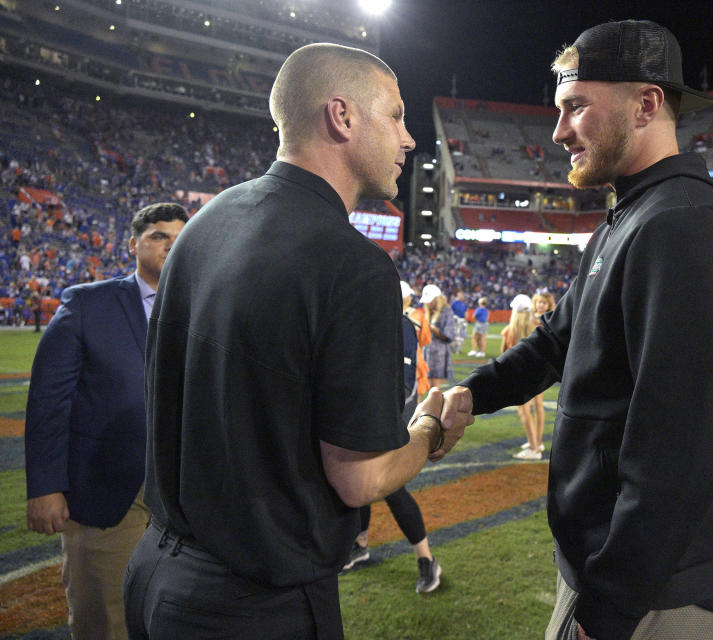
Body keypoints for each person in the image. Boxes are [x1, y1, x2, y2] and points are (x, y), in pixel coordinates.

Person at [123, 44, 469, 640]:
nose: (409, 139)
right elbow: (360, 478)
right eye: (395, 115)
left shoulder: (206, 223)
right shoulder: (354, 266)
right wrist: (431, 432)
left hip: (155, 568)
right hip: (251, 602)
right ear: (342, 116)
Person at [441, 20, 713, 640]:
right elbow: (557, 341)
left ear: (646, 104)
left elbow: (678, 448)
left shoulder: (685, 224)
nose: (559, 131)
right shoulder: (633, 213)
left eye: (576, 107)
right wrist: (472, 396)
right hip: (610, 563)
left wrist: (610, 606)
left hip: (652, 586)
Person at [24, 202, 188, 640]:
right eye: (158, 236)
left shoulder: (206, 306)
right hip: (110, 489)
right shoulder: (87, 304)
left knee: (174, 614)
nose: (171, 246)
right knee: (107, 619)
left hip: (184, 492)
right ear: (134, 244)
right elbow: (48, 400)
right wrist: (44, 486)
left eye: (180, 238)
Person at [344, 281, 442, 594]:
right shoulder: (365, 324)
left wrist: (384, 420)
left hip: (389, 413)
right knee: (358, 478)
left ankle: (427, 559)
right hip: (364, 411)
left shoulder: (400, 326)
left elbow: (404, 383)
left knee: (389, 484)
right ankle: (360, 543)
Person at [500, 294, 542, 460]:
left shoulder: (510, 331)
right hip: (537, 374)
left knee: (524, 413)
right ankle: (536, 443)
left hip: (518, 375)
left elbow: (503, 356)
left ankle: (534, 448)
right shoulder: (537, 326)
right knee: (536, 408)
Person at [526, 291, 557, 453]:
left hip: (540, 363)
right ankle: (535, 440)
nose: (540, 305)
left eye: (544, 303)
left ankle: (537, 442)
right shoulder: (530, 316)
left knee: (537, 404)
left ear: (549, 304)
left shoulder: (550, 319)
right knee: (531, 403)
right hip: (529, 361)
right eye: (538, 302)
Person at [421, 283, 456, 387]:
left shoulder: (446, 311)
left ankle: (437, 403)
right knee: (427, 383)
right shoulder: (428, 311)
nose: (428, 303)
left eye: (430, 300)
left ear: (438, 298)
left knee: (435, 386)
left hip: (438, 353)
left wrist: (433, 329)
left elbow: (449, 336)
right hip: (427, 350)